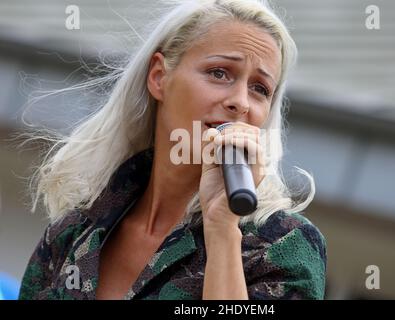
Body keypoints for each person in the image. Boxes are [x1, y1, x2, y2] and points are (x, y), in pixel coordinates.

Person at [18, 0, 326, 300]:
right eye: (219, 72)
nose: (240, 102)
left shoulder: (284, 245)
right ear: (159, 77)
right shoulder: (73, 232)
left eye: (259, 89)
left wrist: (222, 230)